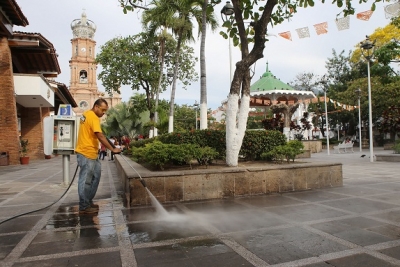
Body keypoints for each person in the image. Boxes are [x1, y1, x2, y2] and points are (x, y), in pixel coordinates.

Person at [75, 99, 121, 214]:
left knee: (96, 176)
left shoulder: (86, 114)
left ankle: (88, 201)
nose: (103, 113)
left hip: (92, 153)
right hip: (86, 153)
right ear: (96, 107)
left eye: (105, 111)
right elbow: (100, 136)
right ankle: (84, 205)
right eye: (102, 110)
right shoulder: (93, 117)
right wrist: (112, 149)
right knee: (85, 180)